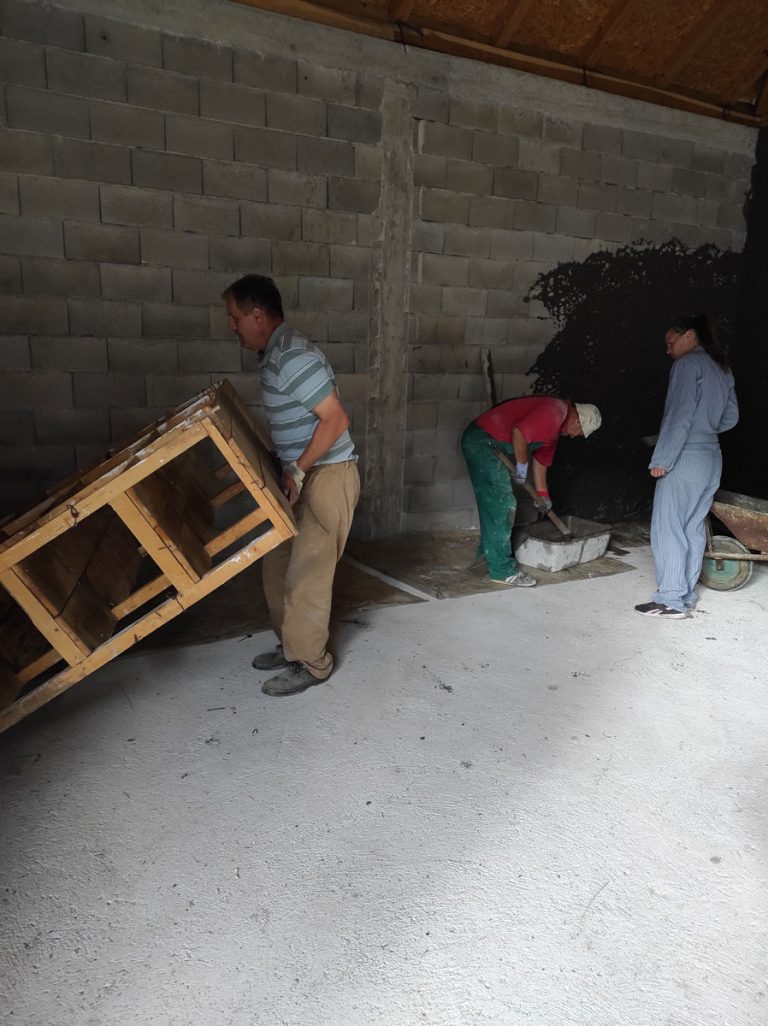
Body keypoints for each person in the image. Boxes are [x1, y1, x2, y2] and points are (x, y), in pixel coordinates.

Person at [223, 274, 360, 696]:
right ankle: (292, 647)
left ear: (257, 314)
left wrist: (298, 470)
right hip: (300, 476)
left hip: (327, 476)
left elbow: (336, 419)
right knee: (278, 565)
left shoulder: (293, 356)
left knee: (308, 574)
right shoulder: (274, 354)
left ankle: (312, 664)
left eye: (235, 317)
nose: (231, 326)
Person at [635, 314, 738, 619]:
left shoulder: (687, 365)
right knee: (692, 527)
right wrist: (706, 430)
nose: (668, 350)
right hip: (711, 457)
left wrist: (662, 459)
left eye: (671, 342)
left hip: (685, 457)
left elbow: (679, 415)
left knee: (667, 526)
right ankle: (685, 595)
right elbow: (731, 417)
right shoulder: (722, 367)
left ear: (690, 335)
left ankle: (670, 599)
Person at [461, 397, 602, 586]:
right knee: (502, 505)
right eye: (580, 433)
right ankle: (502, 571)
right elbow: (518, 432)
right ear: (577, 422)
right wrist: (521, 466)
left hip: (490, 444)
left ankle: (488, 555)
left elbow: (542, 461)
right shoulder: (554, 412)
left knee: (496, 504)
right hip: (482, 441)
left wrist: (543, 495)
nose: (575, 436)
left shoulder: (556, 427)